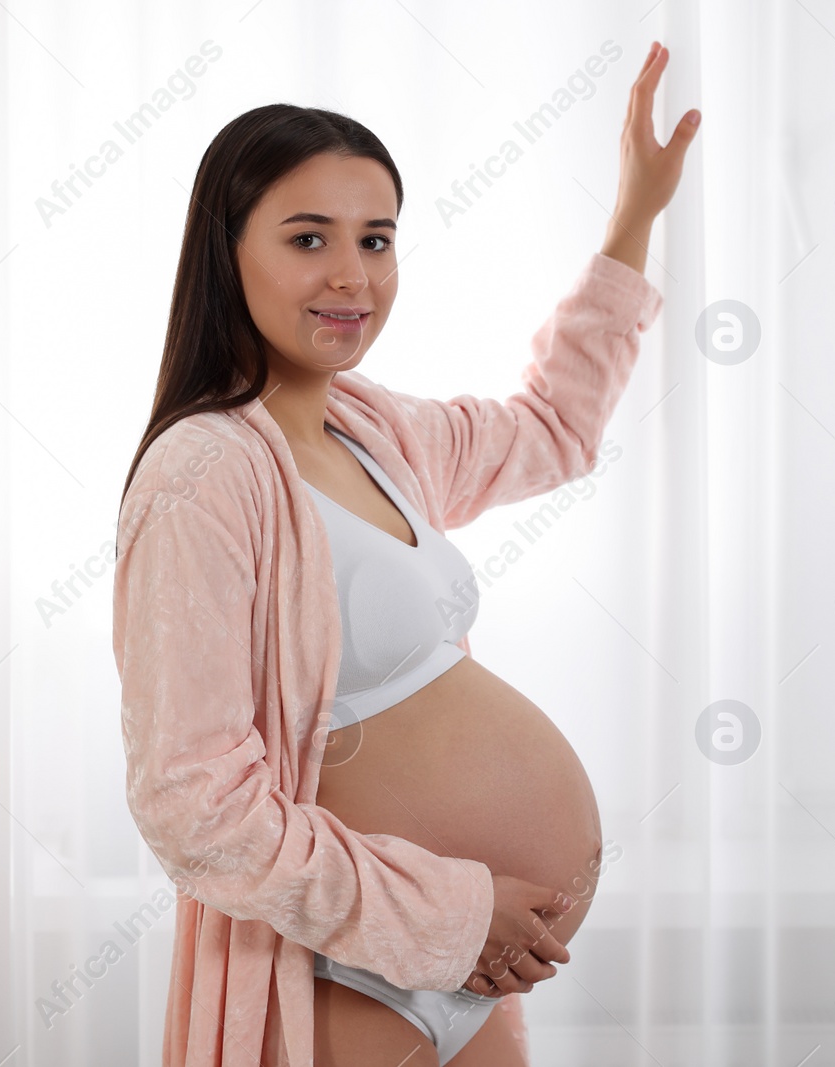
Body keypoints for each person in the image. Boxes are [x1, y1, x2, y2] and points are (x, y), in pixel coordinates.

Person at [113, 41, 698, 1067]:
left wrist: (634, 215)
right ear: (226, 250)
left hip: (463, 962)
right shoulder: (203, 474)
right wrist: (449, 912)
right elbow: (193, 807)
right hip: (352, 966)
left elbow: (552, 428)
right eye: (307, 238)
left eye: (376, 239)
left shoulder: (367, 428)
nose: (352, 275)